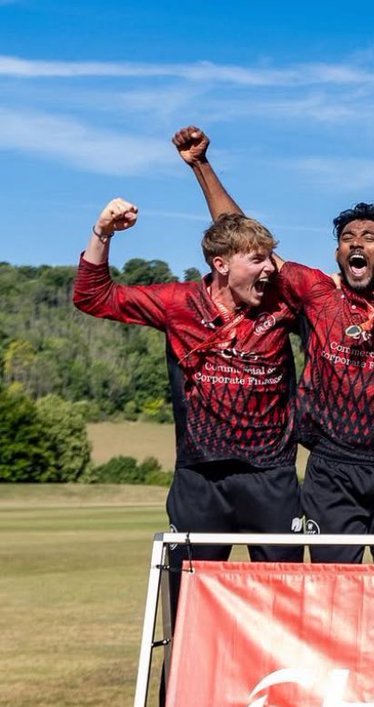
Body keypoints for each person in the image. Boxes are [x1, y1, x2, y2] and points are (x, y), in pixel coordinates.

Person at [173, 126, 374, 564]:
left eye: (369, 238)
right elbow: (243, 242)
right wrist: (202, 166)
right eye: (348, 238)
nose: (356, 243)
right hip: (331, 467)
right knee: (332, 592)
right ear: (337, 254)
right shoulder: (316, 294)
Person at [73, 199, 303, 589]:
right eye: (257, 260)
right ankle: (181, 653)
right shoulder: (177, 302)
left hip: (271, 474)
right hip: (200, 475)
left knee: (284, 594)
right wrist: (102, 232)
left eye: (269, 259)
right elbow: (93, 297)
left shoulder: (282, 304)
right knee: (189, 598)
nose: (270, 268)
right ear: (222, 264)